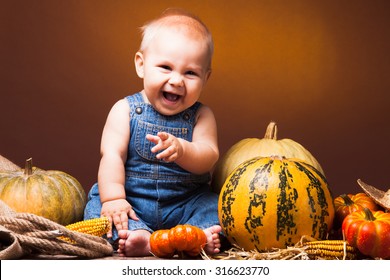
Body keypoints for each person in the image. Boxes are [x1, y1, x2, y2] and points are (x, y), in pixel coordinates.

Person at [84, 8, 222, 257]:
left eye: (190, 72)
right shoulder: (124, 109)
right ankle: (142, 236)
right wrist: (114, 198)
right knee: (97, 208)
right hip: (134, 201)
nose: (177, 80)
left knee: (217, 207)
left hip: (186, 202)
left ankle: (193, 235)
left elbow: (208, 157)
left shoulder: (202, 116)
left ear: (206, 77)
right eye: (165, 67)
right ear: (141, 65)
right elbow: (112, 155)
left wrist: (183, 149)